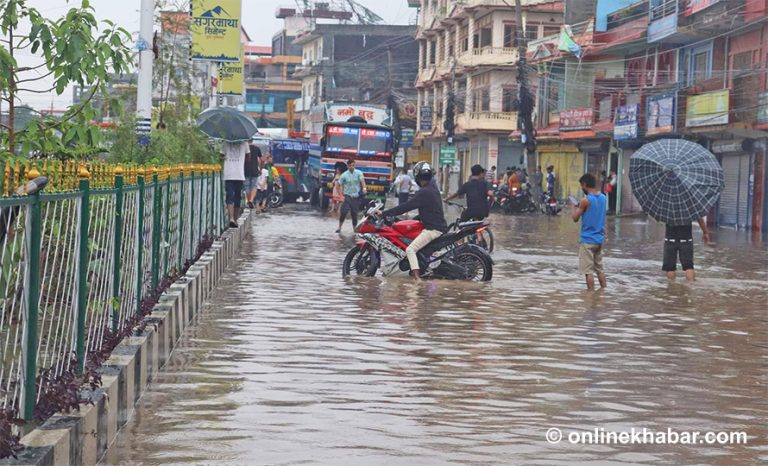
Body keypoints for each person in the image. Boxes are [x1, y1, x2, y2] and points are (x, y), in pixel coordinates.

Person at [377, 162, 447, 281]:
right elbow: (429, 210)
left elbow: (405, 207)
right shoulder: (433, 188)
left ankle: (417, 279)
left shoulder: (423, 192)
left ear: (418, 177)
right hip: (437, 226)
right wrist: (413, 220)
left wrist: (384, 213)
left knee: (410, 249)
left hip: (433, 229)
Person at [570, 173, 607, 291]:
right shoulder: (603, 198)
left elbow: (575, 218)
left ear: (585, 185)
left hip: (587, 240)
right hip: (599, 240)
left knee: (588, 272)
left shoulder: (585, 200)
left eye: (581, 186)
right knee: (600, 270)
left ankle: (590, 296)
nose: (582, 188)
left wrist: (572, 206)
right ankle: (603, 292)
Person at [221, 140, 248, 228]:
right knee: (237, 197)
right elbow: (248, 156)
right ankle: (234, 219)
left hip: (229, 174)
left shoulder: (226, 142)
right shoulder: (244, 142)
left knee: (230, 196)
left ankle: (232, 219)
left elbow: (221, 155)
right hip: (239, 174)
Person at [336, 159, 367, 233]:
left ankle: (354, 229)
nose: (351, 167)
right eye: (350, 166)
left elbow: (362, 181)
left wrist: (364, 188)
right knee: (343, 212)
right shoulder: (344, 175)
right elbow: (338, 186)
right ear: (347, 166)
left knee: (354, 213)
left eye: (353, 165)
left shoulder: (359, 173)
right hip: (347, 196)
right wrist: (341, 196)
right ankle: (339, 227)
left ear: (355, 165)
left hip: (356, 196)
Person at [244, 144, 262, 209]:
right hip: (255, 170)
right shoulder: (257, 148)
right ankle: (251, 200)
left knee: (247, 186)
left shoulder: (244, 147)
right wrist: (260, 168)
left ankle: (249, 201)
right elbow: (261, 159)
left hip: (246, 170)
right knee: (254, 186)